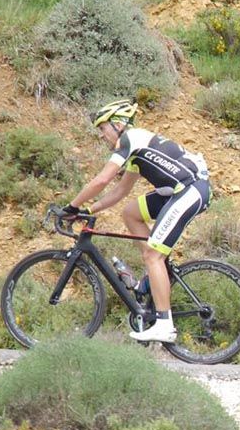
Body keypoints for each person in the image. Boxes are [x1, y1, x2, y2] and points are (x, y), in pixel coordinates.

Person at [62, 99, 211, 343]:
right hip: (177, 191)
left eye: (103, 128)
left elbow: (102, 180)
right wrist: (89, 209)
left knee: (153, 255)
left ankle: (164, 325)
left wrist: (72, 206)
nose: (101, 135)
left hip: (190, 190)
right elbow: (119, 192)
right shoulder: (136, 148)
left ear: (118, 124)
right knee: (130, 213)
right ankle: (152, 276)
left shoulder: (130, 140)